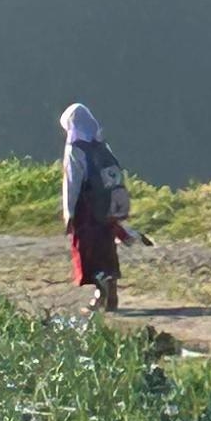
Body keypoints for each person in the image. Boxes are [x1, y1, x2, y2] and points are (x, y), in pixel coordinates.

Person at [58, 104, 131, 309]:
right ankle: (113, 297)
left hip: (87, 210)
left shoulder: (74, 149)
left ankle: (100, 296)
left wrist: (69, 214)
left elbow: (71, 184)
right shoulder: (101, 145)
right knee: (107, 249)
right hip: (106, 208)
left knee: (90, 251)